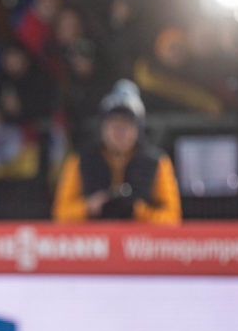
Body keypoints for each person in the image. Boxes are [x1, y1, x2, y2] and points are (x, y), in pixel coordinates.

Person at [53, 79, 181, 224]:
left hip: (139, 242)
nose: (119, 132)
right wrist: (89, 206)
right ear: (103, 127)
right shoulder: (79, 159)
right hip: (96, 241)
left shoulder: (157, 161)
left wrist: (137, 210)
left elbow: (172, 219)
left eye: (126, 125)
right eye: (114, 125)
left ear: (137, 129)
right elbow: (60, 215)